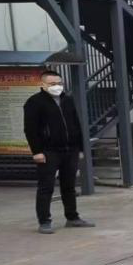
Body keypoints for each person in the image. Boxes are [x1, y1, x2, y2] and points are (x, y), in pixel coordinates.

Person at [24, 69, 92, 234]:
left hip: (70, 150)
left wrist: (80, 148)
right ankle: (44, 221)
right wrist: (37, 152)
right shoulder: (34, 102)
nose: (57, 86)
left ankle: (72, 217)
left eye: (59, 83)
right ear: (42, 84)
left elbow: (76, 124)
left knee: (69, 186)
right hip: (49, 151)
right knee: (46, 187)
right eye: (52, 83)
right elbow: (30, 129)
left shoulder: (67, 100)